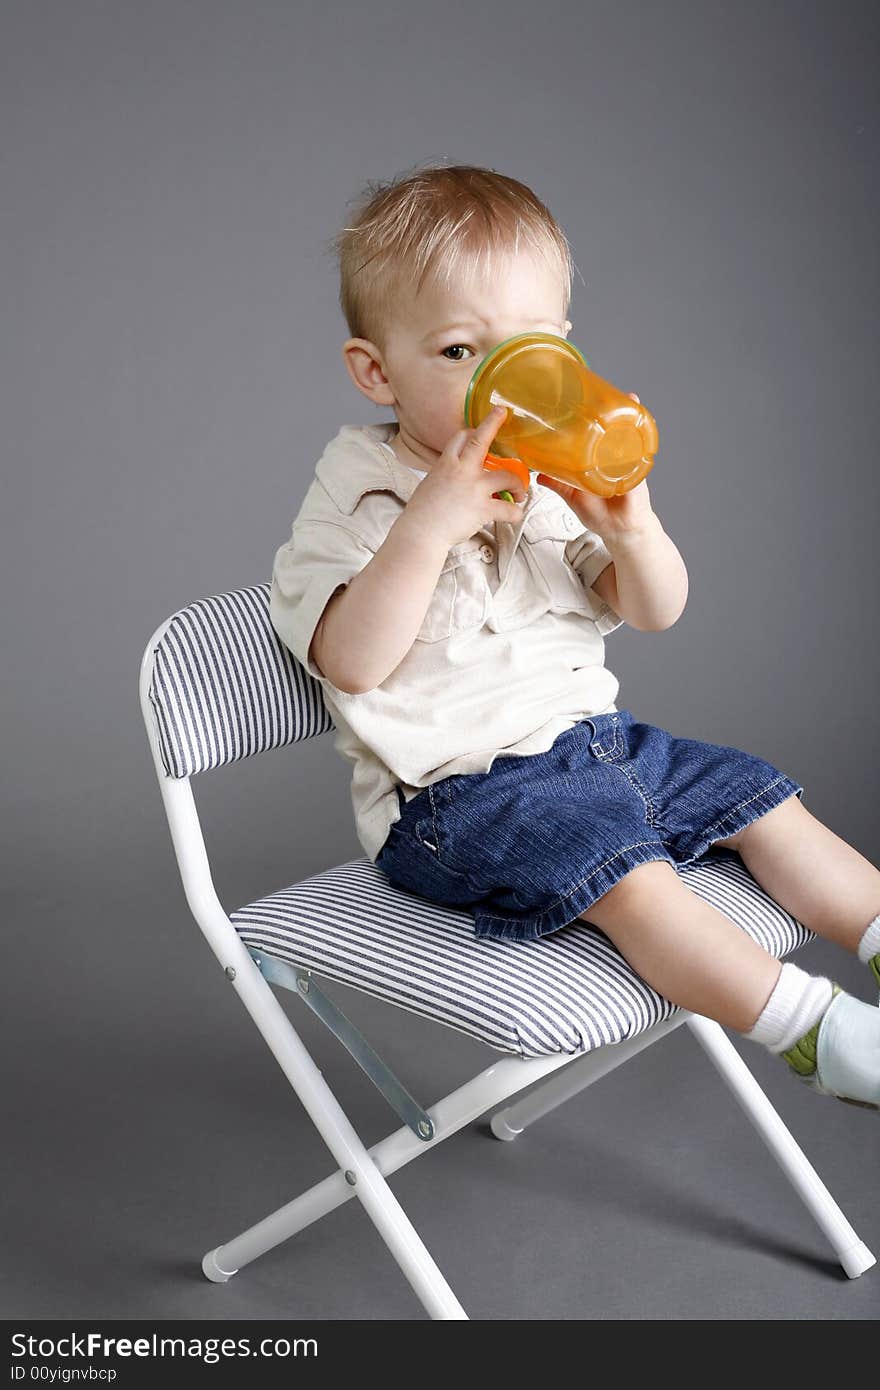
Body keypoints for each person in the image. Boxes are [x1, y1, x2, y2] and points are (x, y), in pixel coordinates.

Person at [270, 162, 880, 1109]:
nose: (507, 392)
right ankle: (817, 1035)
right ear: (376, 370)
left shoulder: (546, 479)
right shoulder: (358, 497)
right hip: (457, 799)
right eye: (462, 353)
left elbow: (655, 608)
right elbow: (349, 661)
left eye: (532, 353)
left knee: (763, 801)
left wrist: (631, 526)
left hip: (599, 748)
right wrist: (429, 523)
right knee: (632, 880)